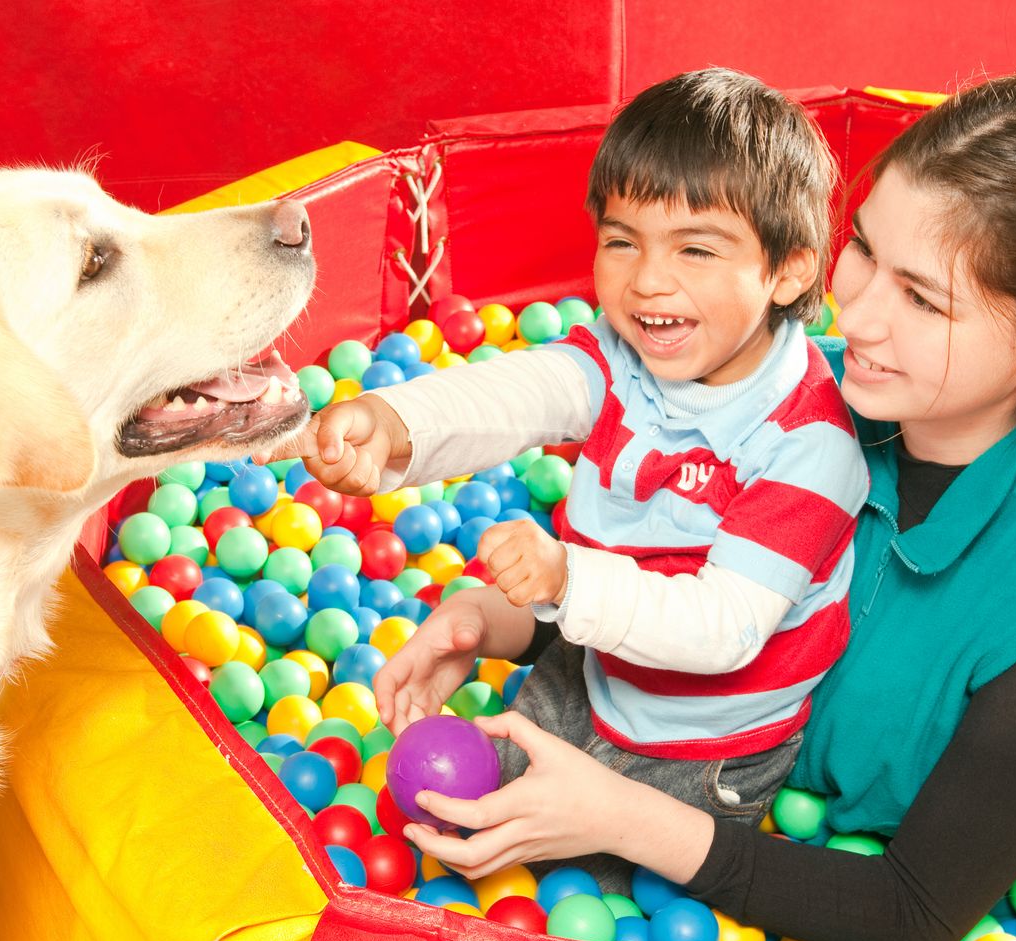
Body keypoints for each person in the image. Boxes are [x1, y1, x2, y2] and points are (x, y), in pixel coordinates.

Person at [390, 70, 1016, 941]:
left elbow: (912, 914)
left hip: (832, 904)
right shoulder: (789, 400)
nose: (851, 313)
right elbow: (689, 606)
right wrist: (499, 620)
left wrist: (617, 818)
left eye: (923, 298)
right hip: (694, 761)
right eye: (861, 250)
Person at [264, 68, 867, 890]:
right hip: (590, 674)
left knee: (574, 883)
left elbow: (723, 627)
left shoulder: (808, 446)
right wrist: (396, 424)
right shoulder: (624, 360)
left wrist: (564, 577)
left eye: (694, 248)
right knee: (449, 806)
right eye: (623, 241)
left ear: (790, 272)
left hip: (704, 753)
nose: (647, 280)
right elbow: (520, 393)